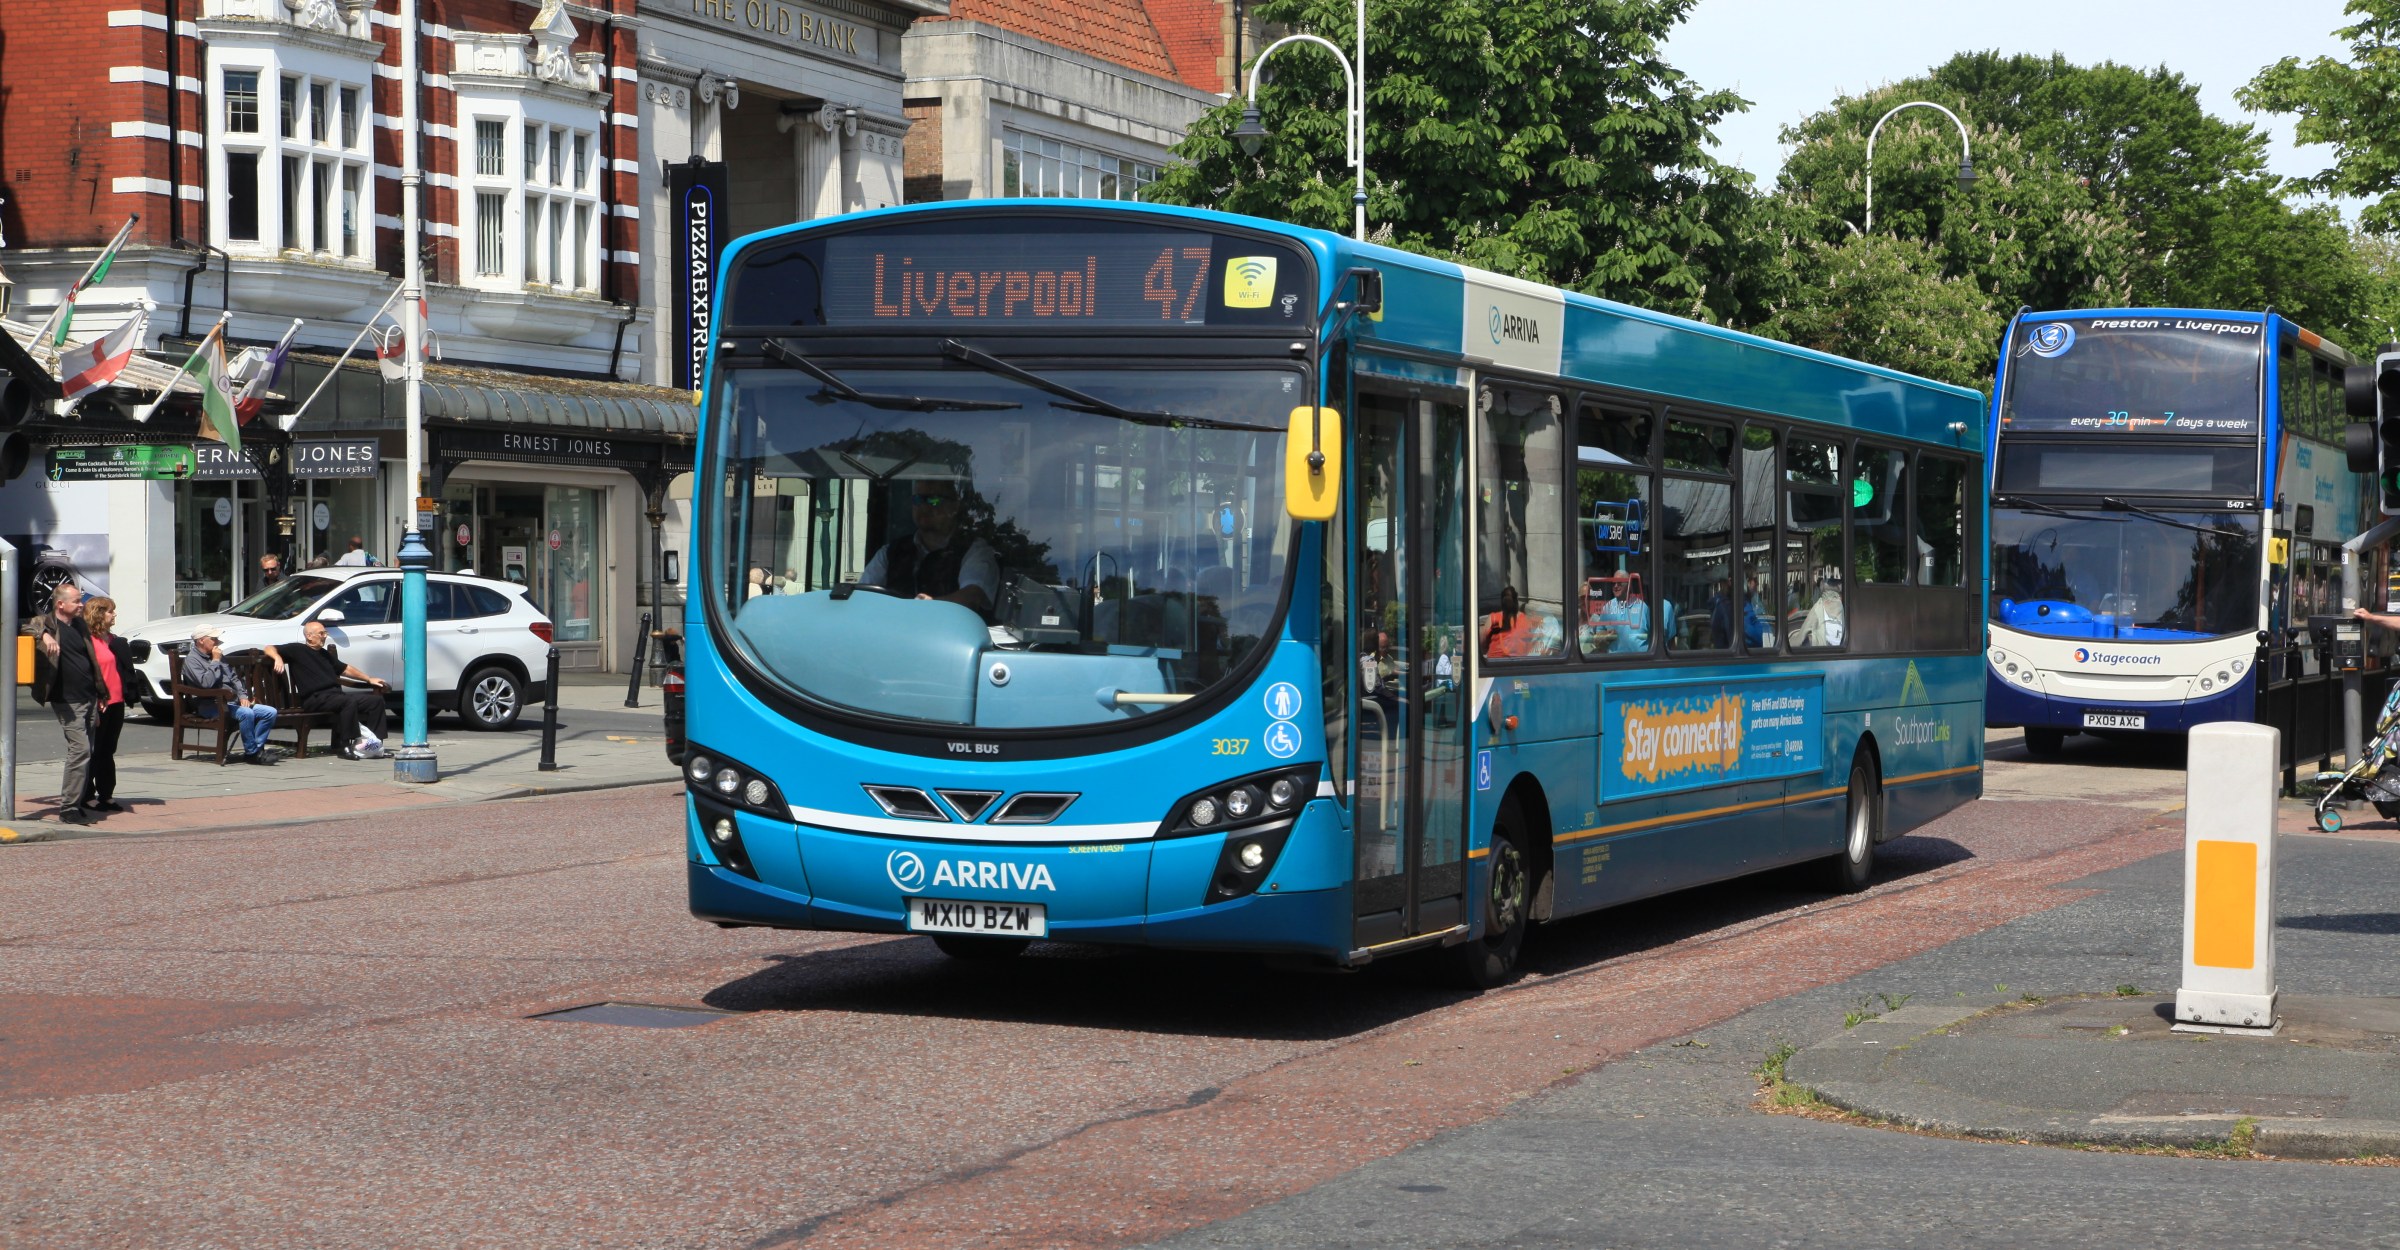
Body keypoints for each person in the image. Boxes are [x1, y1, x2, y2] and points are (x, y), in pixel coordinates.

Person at [858, 479, 998, 615]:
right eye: (917, 500)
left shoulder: (974, 550)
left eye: (933, 500)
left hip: (950, 630)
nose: (924, 507)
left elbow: (971, 597)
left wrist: (930, 605)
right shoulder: (890, 552)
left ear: (954, 506)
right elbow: (861, 597)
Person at [267, 620, 390, 759]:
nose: (325, 636)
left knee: (375, 701)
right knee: (347, 702)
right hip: (314, 698)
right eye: (321, 633)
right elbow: (269, 648)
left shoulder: (324, 654)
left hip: (334, 697)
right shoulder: (297, 649)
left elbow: (345, 669)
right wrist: (277, 657)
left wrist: (368, 679)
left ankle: (375, 746)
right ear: (309, 636)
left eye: (325, 633)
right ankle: (344, 746)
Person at [28, 582, 95, 825]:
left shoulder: (79, 625)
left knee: (88, 751)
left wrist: (101, 693)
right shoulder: (46, 622)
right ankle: (68, 808)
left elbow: (91, 659)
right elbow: (22, 625)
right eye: (76, 601)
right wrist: (44, 635)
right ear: (60, 604)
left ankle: (79, 800)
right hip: (67, 699)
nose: (81, 605)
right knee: (80, 750)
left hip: (89, 696)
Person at [182, 626, 280, 765]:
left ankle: (256, 750)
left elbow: (234, 678)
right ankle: (253, 753)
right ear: (201, 640)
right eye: (213, 638)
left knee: (270, 712)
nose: (217, 642)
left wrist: (242, 696)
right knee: (246, 713)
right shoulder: (192, 660)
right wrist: (215, 661)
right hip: (211, 704)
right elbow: (206, 684)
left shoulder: (219, 656)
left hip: (232, 702)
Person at [78, 597, 140, 814]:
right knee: (93, 750)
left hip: (116, 701)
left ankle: (106, 794)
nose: (114, 615)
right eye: (110, 611)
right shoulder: (87, 640)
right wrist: (95, 699)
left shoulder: (113, 640)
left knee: (108, 750)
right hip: (98, 702)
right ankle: (86, 794)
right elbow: (86, 675)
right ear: (98, 614)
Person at [1794, 569, 1847, 648]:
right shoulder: (1845, 606)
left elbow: (1804, 632)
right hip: (1842, 646)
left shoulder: (1819, 605)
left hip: (1825, 648)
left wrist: (1793, 643)